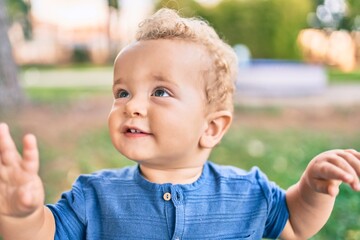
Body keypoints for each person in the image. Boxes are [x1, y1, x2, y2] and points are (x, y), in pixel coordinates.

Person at [0, 8, 359, 240]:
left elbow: (295, 225)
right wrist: (21, 215)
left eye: (160, 92)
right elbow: (43, 233)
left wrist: (313, 187)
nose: (132, 106)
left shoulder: (247, 192)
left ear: (212, 128)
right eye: (122, 92)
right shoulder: (94, 197)